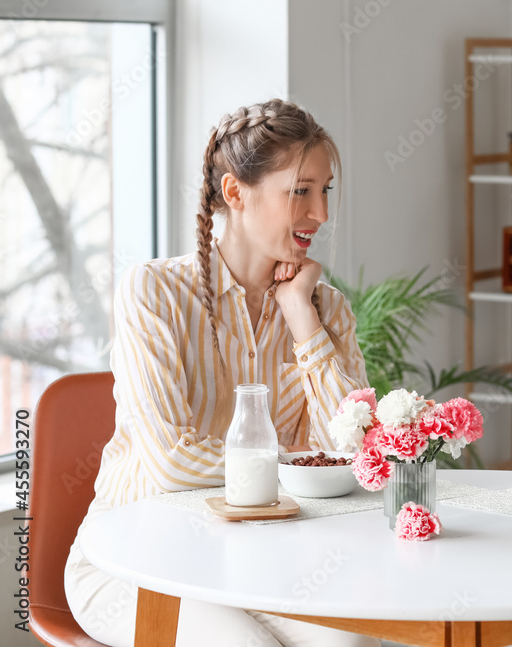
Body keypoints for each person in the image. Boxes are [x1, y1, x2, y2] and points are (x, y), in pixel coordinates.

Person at [64, 99, 379, 646]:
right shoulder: (153, 293)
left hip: (258, 561)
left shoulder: (326, 309)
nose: (320, 214)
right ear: (235, 193)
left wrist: (302, 318)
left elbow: (357, 455)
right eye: (300, 190)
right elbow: (168, 463)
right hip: (139, 559)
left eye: (325, 191)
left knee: (348, 642)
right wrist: (301, 469)